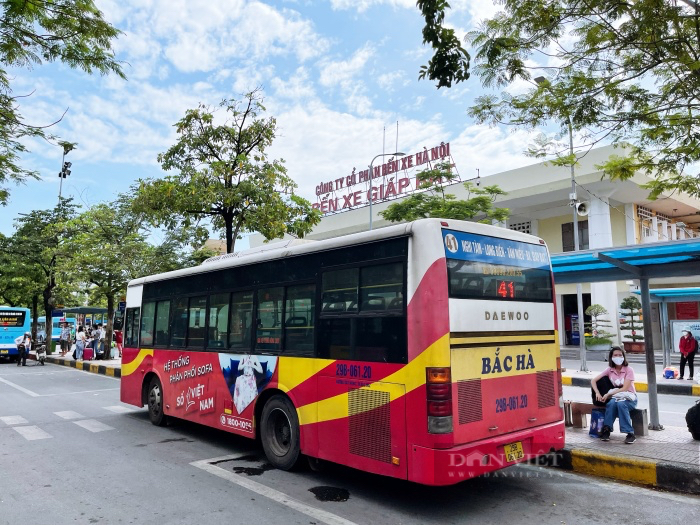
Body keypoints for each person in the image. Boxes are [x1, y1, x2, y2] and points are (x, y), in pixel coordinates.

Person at [591, 346, 638, 444]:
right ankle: (606, 429)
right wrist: (598, 393)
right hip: (616, 397)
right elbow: (593, 380)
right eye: (615, 355)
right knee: (611, 404)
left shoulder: (629, 370)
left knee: (621, 404)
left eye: (620, 355)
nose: (618, 357)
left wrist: (609, 394)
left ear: (624, 357)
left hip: (629, 397)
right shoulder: (609, 370)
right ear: (611, 357)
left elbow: (625, 388)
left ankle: (630, 433)